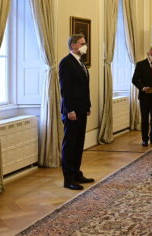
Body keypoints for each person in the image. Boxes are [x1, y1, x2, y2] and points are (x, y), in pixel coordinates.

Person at [58, 33, 95, 190]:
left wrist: (87, 106)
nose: (84, 45)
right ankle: (69, 178)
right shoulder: (66, 63)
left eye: (84, 43)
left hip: (81, 109)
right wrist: (70, 109)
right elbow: (65, 89)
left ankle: (77, 172)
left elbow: (84, 87)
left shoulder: (80, 62)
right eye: (81, 43)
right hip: (72, 111)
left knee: (79, 142)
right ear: (73, 45)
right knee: (71, 143)